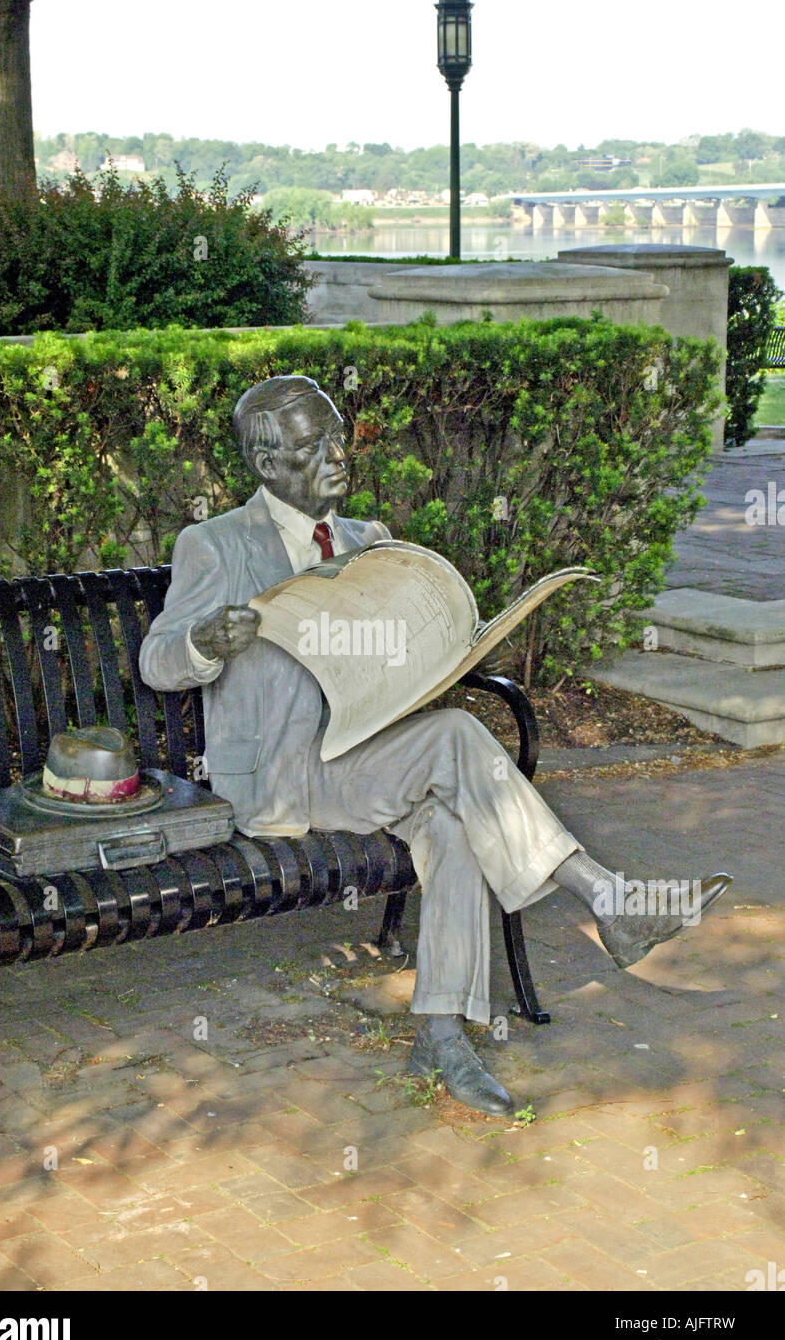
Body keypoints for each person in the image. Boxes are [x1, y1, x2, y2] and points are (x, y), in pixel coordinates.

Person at [139, 375, 732, 1116]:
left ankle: (443, 1035)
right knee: (456, 737)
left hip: (372, 760)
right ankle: (609, 900)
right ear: (266, 464)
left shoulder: (370, 542)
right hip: (284, 777)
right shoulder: (216, 543)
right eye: (313, 445)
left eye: (338, 435)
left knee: (453, 824)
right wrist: (204, 641)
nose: (337, 454)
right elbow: (157, 660)